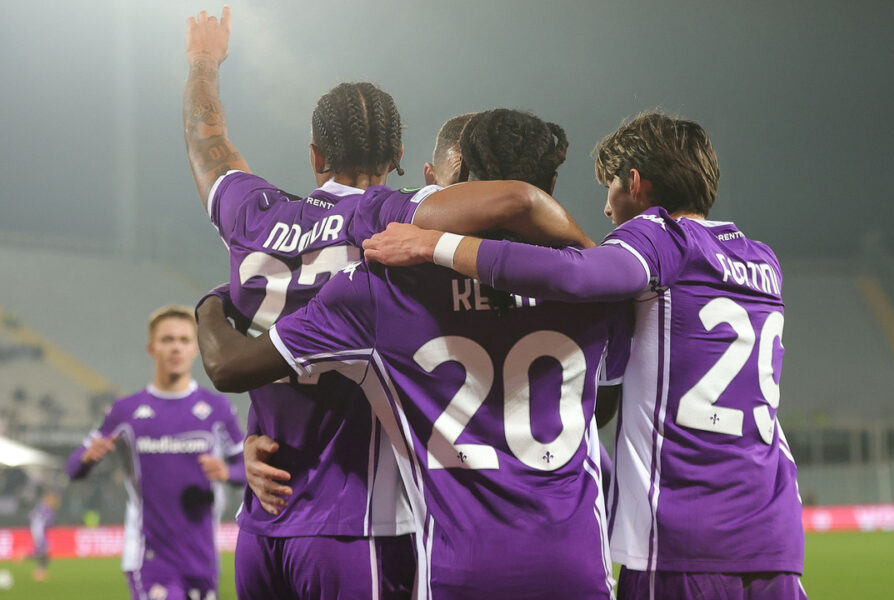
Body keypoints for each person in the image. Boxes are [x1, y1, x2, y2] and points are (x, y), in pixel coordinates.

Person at [182, 8, 591, 598]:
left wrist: (203, 61)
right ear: (399, 154)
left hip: (264, 518)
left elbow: (207, 142)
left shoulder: (250, 213)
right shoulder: (395, 216)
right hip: (363, 523)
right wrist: (591, 263)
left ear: (315, 155)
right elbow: (516, 202)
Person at [363, 111, 808, 599]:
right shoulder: (761, 259)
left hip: (688, 530)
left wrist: (435, 244)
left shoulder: (661, 237)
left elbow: (575, 274)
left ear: (635, 184)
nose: (606, 208)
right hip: (775, 526)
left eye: (610, 187)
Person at [66, 305, 245, 600]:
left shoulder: (218, 410)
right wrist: (87, 458)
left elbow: (246, 470)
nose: (176, 347)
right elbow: (73, 468)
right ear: (152, 348)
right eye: (167, 339)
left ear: (196, 349)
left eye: (184, 340)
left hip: (202, 556)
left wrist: (227, 472)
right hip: (149, 555)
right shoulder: (124, 411)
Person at [29, 491, 59, 582]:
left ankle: (40, 572)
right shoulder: (45, 510)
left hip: (41, 532)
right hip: (40, 533)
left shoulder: (41, 508)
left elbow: (33, 518)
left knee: (43, 553)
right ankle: (39, 573)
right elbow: (42, 522)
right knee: (42, 552)